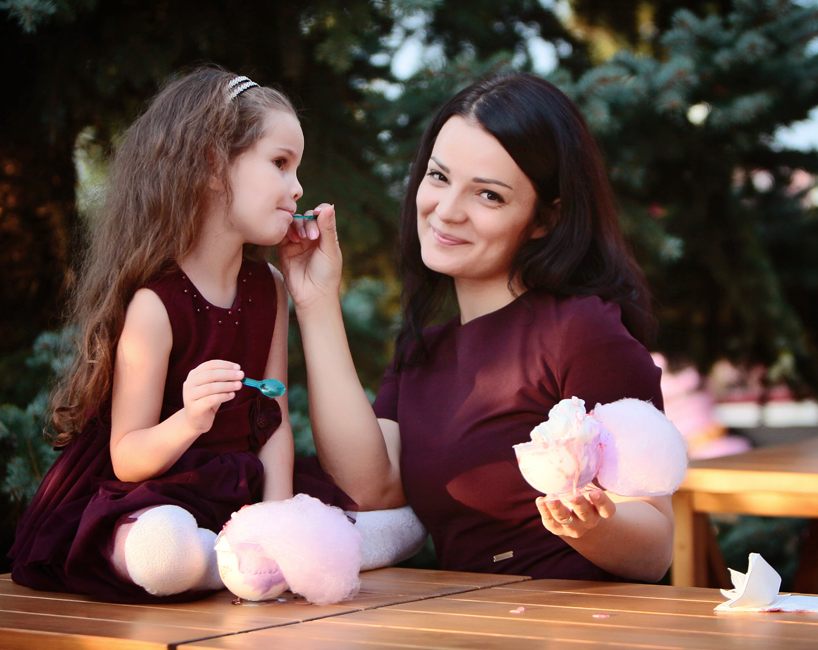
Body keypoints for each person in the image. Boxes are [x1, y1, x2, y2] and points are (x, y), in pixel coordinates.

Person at [281, 72, 674, 583]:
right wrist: (316, 303)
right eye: (438, 176)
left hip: (578, 618)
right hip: (467, 615)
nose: (446, 211)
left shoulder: (583, 332)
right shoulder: (425, 346)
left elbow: (655, 551)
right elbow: (371, 486)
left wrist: (591, 525)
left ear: (546, 219)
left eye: (488, 195)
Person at [8, 67, 304, 603]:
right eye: (280, 163)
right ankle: (224, 564)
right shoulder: (156, 303)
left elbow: (273, 419)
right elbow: (127, 457)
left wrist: (277, 522)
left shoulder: (270, 287)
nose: (298, 187)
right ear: (213, 165)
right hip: (152, 494)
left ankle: (252, 559)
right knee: (164, 548)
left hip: (239, 490)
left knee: (370, 520)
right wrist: (190, 420)